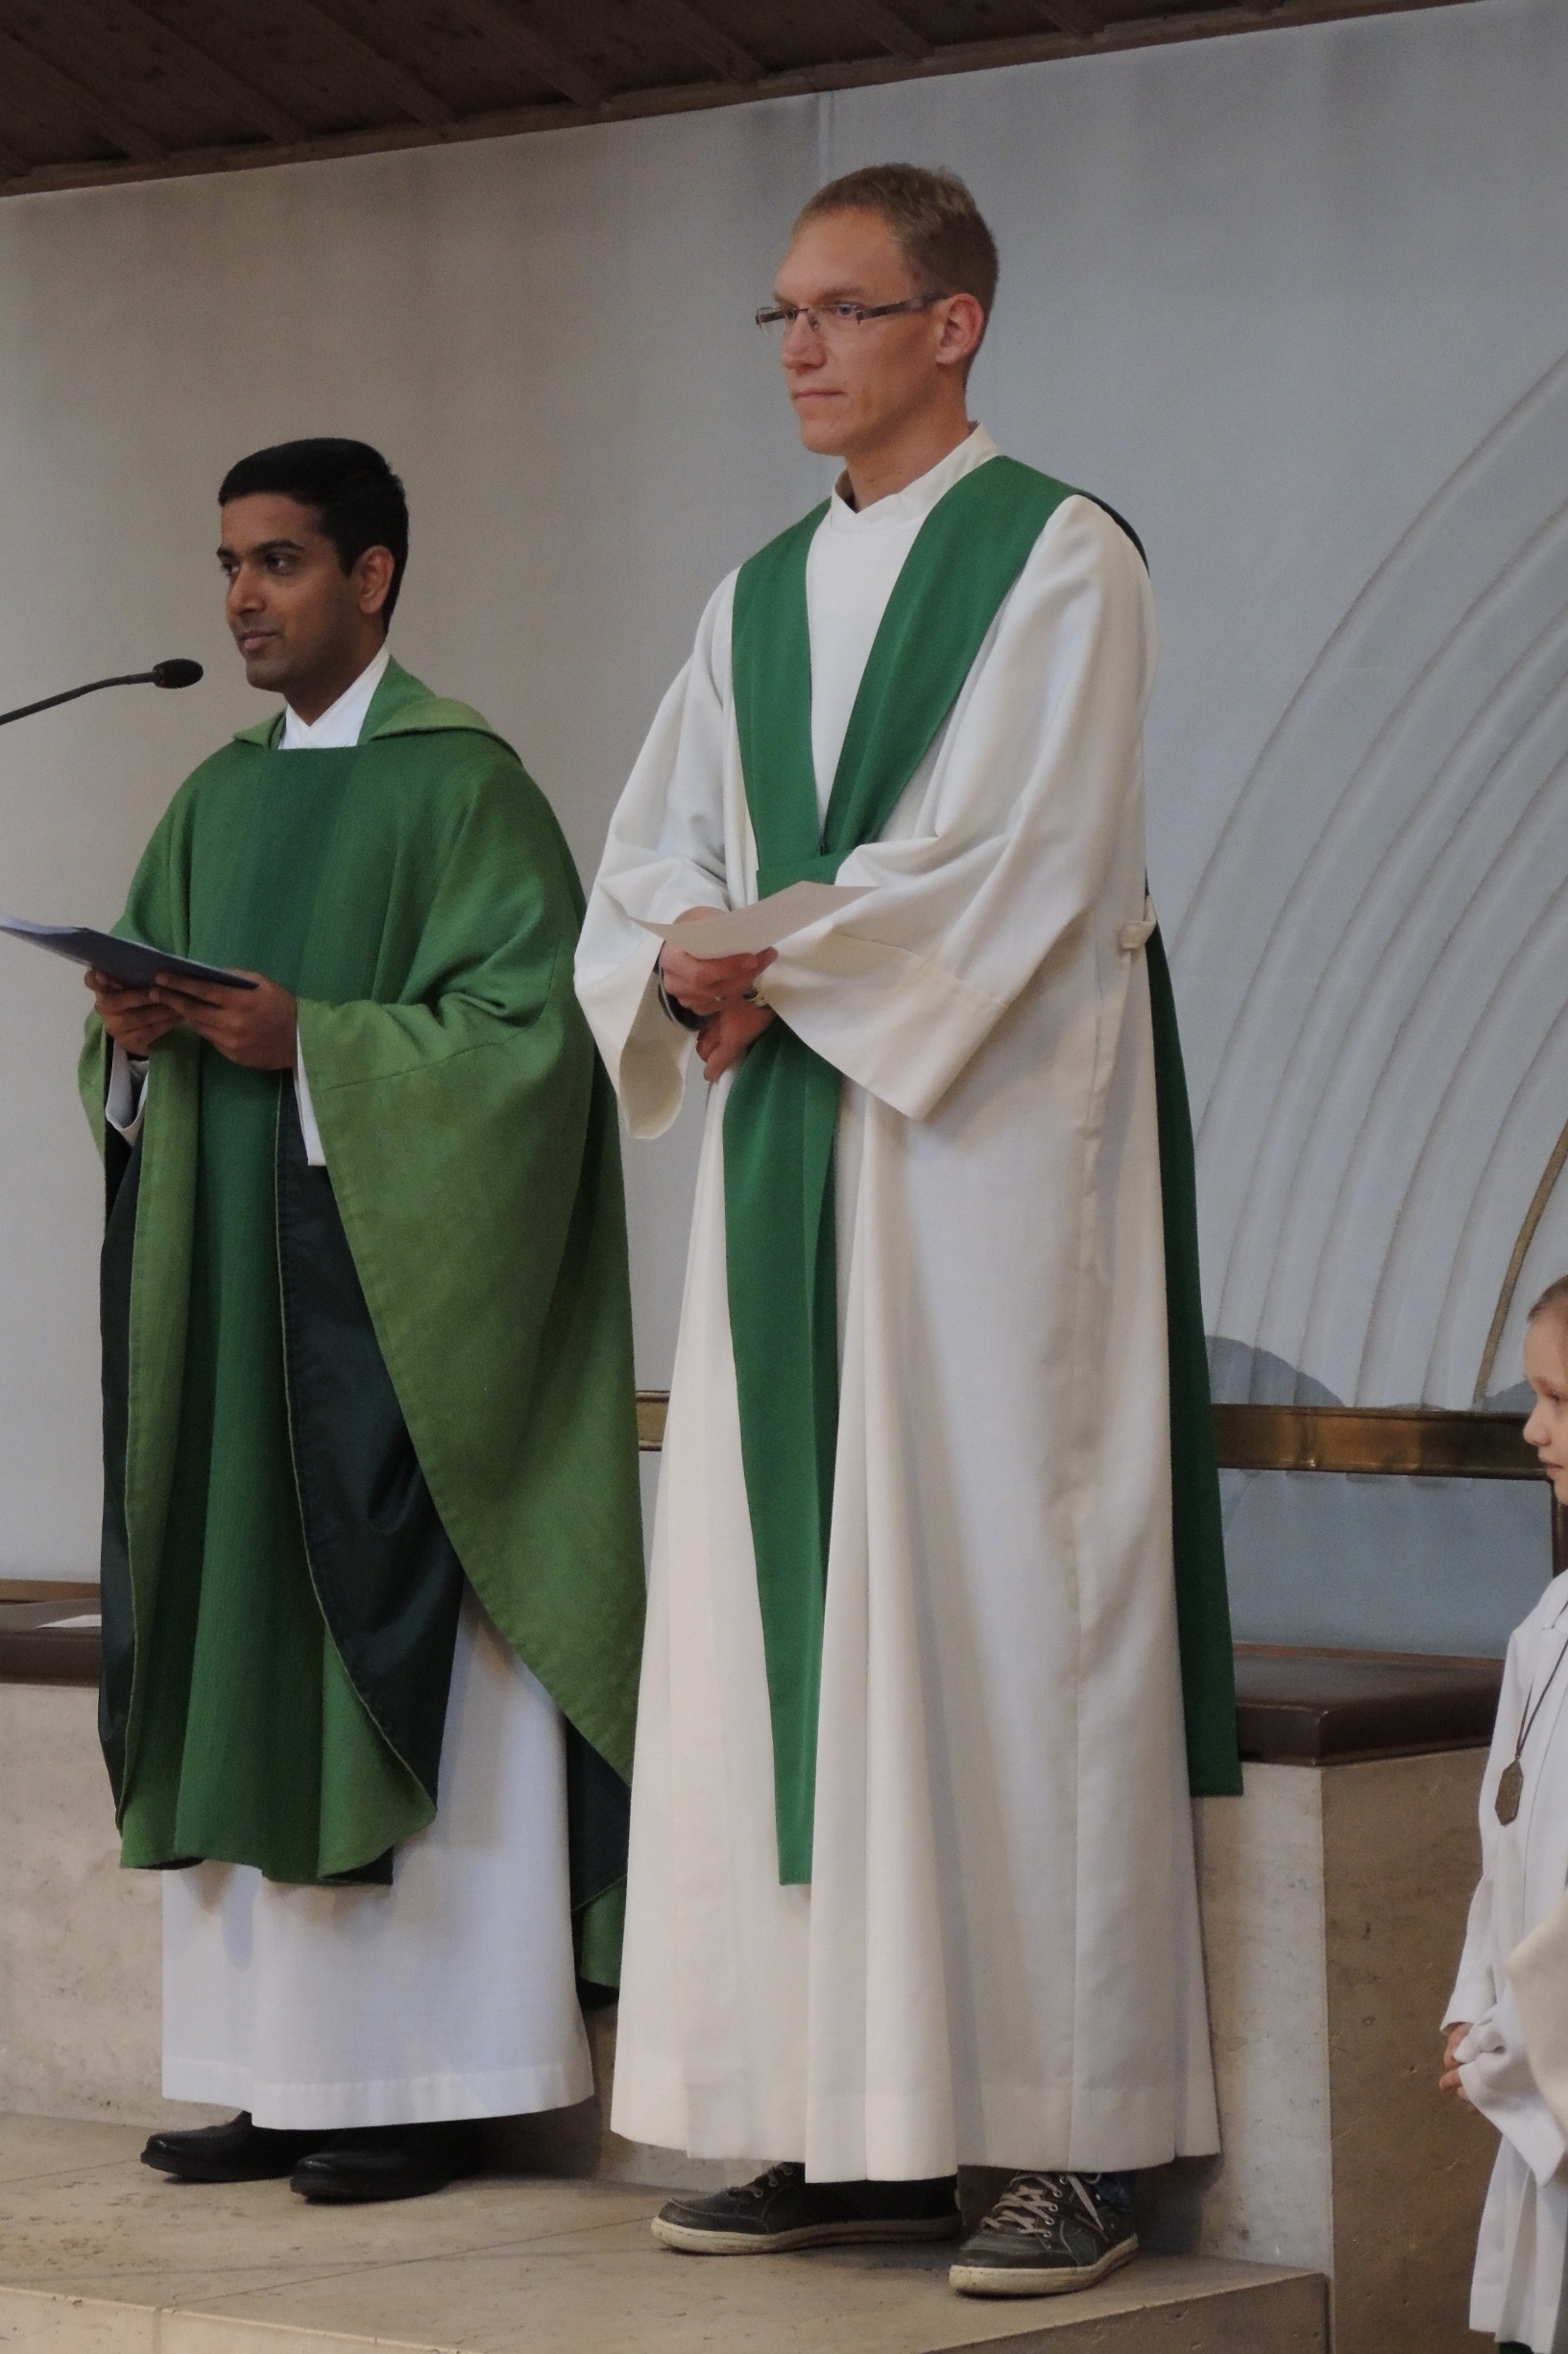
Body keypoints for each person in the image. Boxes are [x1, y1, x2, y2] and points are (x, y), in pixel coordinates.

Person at [575, 163, 1238, 2296]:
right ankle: (841, 2117)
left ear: (951, 324)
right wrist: (683, 953)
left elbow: (1016, 863)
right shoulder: (751, 595)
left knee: (993, 1609)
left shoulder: (1059, 554)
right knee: (799, 1629)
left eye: (839, 311)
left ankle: (1071, 2132)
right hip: (792, 1153)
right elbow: (651, 847)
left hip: (977, 1180)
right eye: (775, 314)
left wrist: (768, 964)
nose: (796, 349)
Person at [80, 438, 644, 2202]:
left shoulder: (465, 787)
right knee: (249, 1641)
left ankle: (433, 2078)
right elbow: (136, 1025)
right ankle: (277, 2073)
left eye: (280, 563)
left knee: (404, 1639)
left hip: (399, 1330)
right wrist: (137, 1042)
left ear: (375, 575)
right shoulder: (213, 798)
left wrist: (315, 1042)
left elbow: (533, 1047)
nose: (242, 598)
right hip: (240, 1323)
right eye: (228, 564)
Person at [1443, 1275, 1568, 2354]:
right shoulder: (1548, 1618)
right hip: (1530, 2064)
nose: (1533, 1430)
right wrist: (1471, 1999)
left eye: (1559, 1400)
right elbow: (1508, 1844)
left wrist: (1511, 2043)